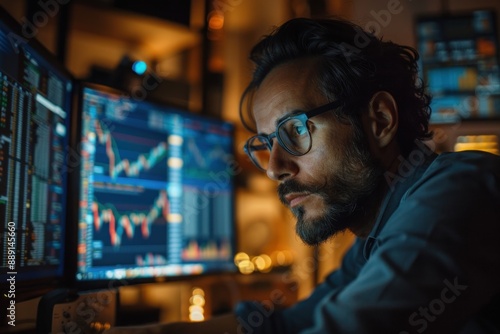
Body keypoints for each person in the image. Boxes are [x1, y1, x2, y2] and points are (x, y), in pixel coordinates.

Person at [107, 17, 500, 334]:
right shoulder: (373, 241)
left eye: (295, 130)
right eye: (264, 144)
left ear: (379, 120)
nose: (275, 168)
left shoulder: (462, 190)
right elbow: (285, 324)